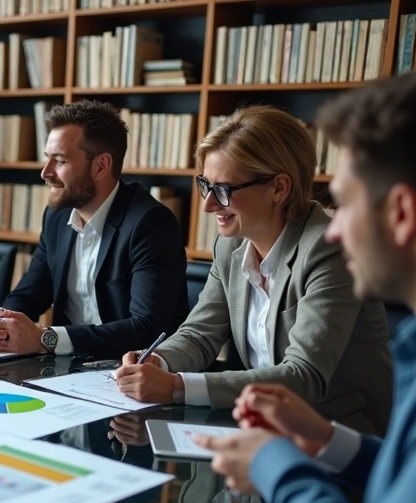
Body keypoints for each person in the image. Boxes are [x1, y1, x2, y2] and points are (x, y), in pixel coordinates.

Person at [192, 74, 416, 503]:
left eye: (345, 204)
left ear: (401, 213)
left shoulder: (320, 249)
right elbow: (404, 473)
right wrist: (325, 439)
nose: (334, 230)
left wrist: (277, 462)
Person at [114, 106, 392, 436]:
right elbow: (199, 334)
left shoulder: (329, 247)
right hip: (262, 424)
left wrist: (176, 387)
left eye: (224, 190)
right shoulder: (229, 246)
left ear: (279, 188)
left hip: (341, 432)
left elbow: (304, 375)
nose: (208, 205)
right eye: (206, 185)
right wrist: (158, 361)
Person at [0, 101, 188, 359]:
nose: (45, 172)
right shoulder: (57, 216)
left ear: (101, 166)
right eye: (47, 158)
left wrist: (46, 338)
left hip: (129, 368)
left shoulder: (150, 223)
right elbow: (30, 293)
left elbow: (147, 329)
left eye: (60, 161)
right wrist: (2, 324)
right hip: (66, 365)